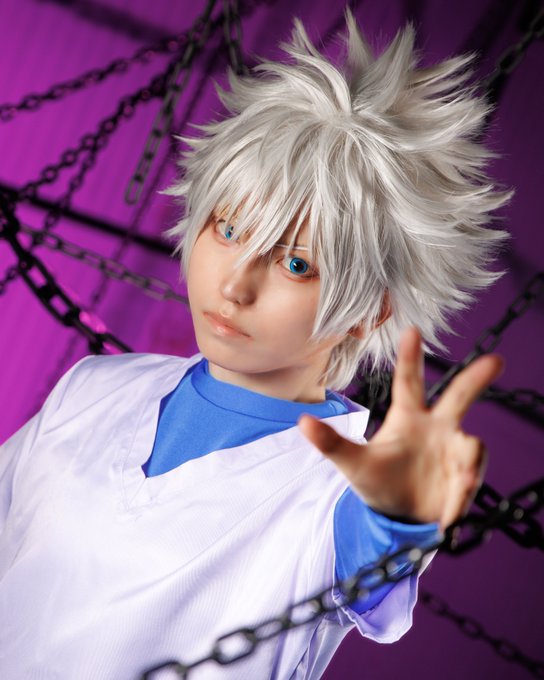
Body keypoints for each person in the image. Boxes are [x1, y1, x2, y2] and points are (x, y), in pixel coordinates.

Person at [0, 11, 510, 680]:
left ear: (370, 311)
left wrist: (399, 520)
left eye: (296, 264)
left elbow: (376, 561)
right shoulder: (93, 388)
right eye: (229, 228)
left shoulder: (337, 495)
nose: (235, 285)